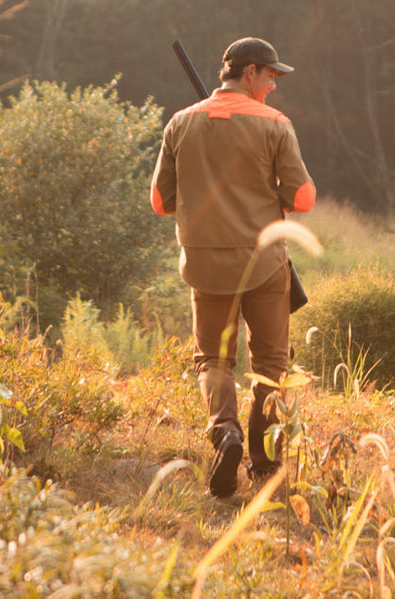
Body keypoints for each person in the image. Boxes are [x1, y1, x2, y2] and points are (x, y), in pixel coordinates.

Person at [151, 37, 316, 498]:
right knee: (270, 363)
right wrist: (273, 192)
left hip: (203, 263)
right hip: (263, 264)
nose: (274, 86)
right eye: (271, 76)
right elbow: (302, 198)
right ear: (249, 73)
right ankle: (263, 461)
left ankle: (224, 432)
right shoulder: (275, 124)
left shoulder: (181, 122)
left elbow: (160, 201)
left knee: (213, 359)